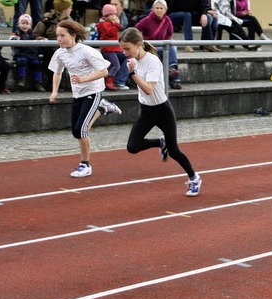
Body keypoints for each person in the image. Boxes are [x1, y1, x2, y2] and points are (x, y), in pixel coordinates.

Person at [118, 27, 202, 196]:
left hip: (162, 110)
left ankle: (194, 178)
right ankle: (159, 142)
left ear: (138, 44)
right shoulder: (133, 60)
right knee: (132, 147)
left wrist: (133, 73)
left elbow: (149, 89)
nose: (124, 52)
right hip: (146, 111)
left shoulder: (153, 61)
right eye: (122, 48)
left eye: (127, 48)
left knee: (174, 150)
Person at [48, 20, 122, 178]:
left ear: (73, 36)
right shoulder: (60, 53)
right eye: (57, 36)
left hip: (93, 91)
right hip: (78, 94)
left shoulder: (87, 51)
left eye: (62, 35)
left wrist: (84, 79)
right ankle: (103, 108)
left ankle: (85, 165)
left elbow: (103, 71)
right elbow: (57, 72)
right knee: (77, 131)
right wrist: (54, 92)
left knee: (80, 130)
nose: (59, 39)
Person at [135, 0, 183, 89]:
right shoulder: (147, 20)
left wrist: (164, 40)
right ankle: (174, 71)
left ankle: (174, 74)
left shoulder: (167, 20)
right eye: (157, 8)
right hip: (149, 46)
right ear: (153, 9)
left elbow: (170, 32)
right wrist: (142, 41)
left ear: (165, 10)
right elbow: (136, 29)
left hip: (162, 45)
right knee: (171, 49)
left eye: (161, 8)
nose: (159, 10)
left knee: (171, 47)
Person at [11, 14, 46, 92]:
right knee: (22, 62)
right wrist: (16, 39)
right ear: (19, 24)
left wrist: (41, 39)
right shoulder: (17, 33)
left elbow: (36, 38)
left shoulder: (32, 34)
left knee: (37, 64)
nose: (25, 26)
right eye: (22, 23)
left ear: (30, 25)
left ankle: (38, 82)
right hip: (21, 54)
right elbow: (11, 39)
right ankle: (21, 79)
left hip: (32, 55)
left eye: (27, 24)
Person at [96, 4, 123, 90]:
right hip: (108, 49)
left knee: (114, 63)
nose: (114, 17)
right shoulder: (104, 24)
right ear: (106, 15)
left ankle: (115, 80)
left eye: (115, 14)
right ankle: (109, 80)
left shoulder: (111, 23)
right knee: (116, 65)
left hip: (113, 48)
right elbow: (110, 32)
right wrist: (116, 24)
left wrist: (116, 24)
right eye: (111, 15)